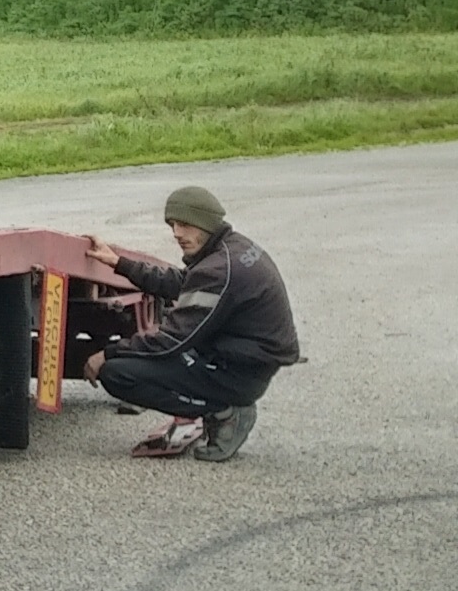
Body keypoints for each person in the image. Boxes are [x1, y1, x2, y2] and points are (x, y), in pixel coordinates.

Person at [81, 183, 301, 460]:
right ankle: (224, 406)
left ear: (205, 222)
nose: (177, 233)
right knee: (133, 360)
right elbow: (183, 283)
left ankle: (225, 411)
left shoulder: (219, 270)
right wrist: (119, 263)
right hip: (241, 362)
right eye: (172, 224)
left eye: (184, 224)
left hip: (237, 375)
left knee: (117, 373)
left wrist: (107, 353)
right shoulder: (230, 248)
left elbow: (171, 341)